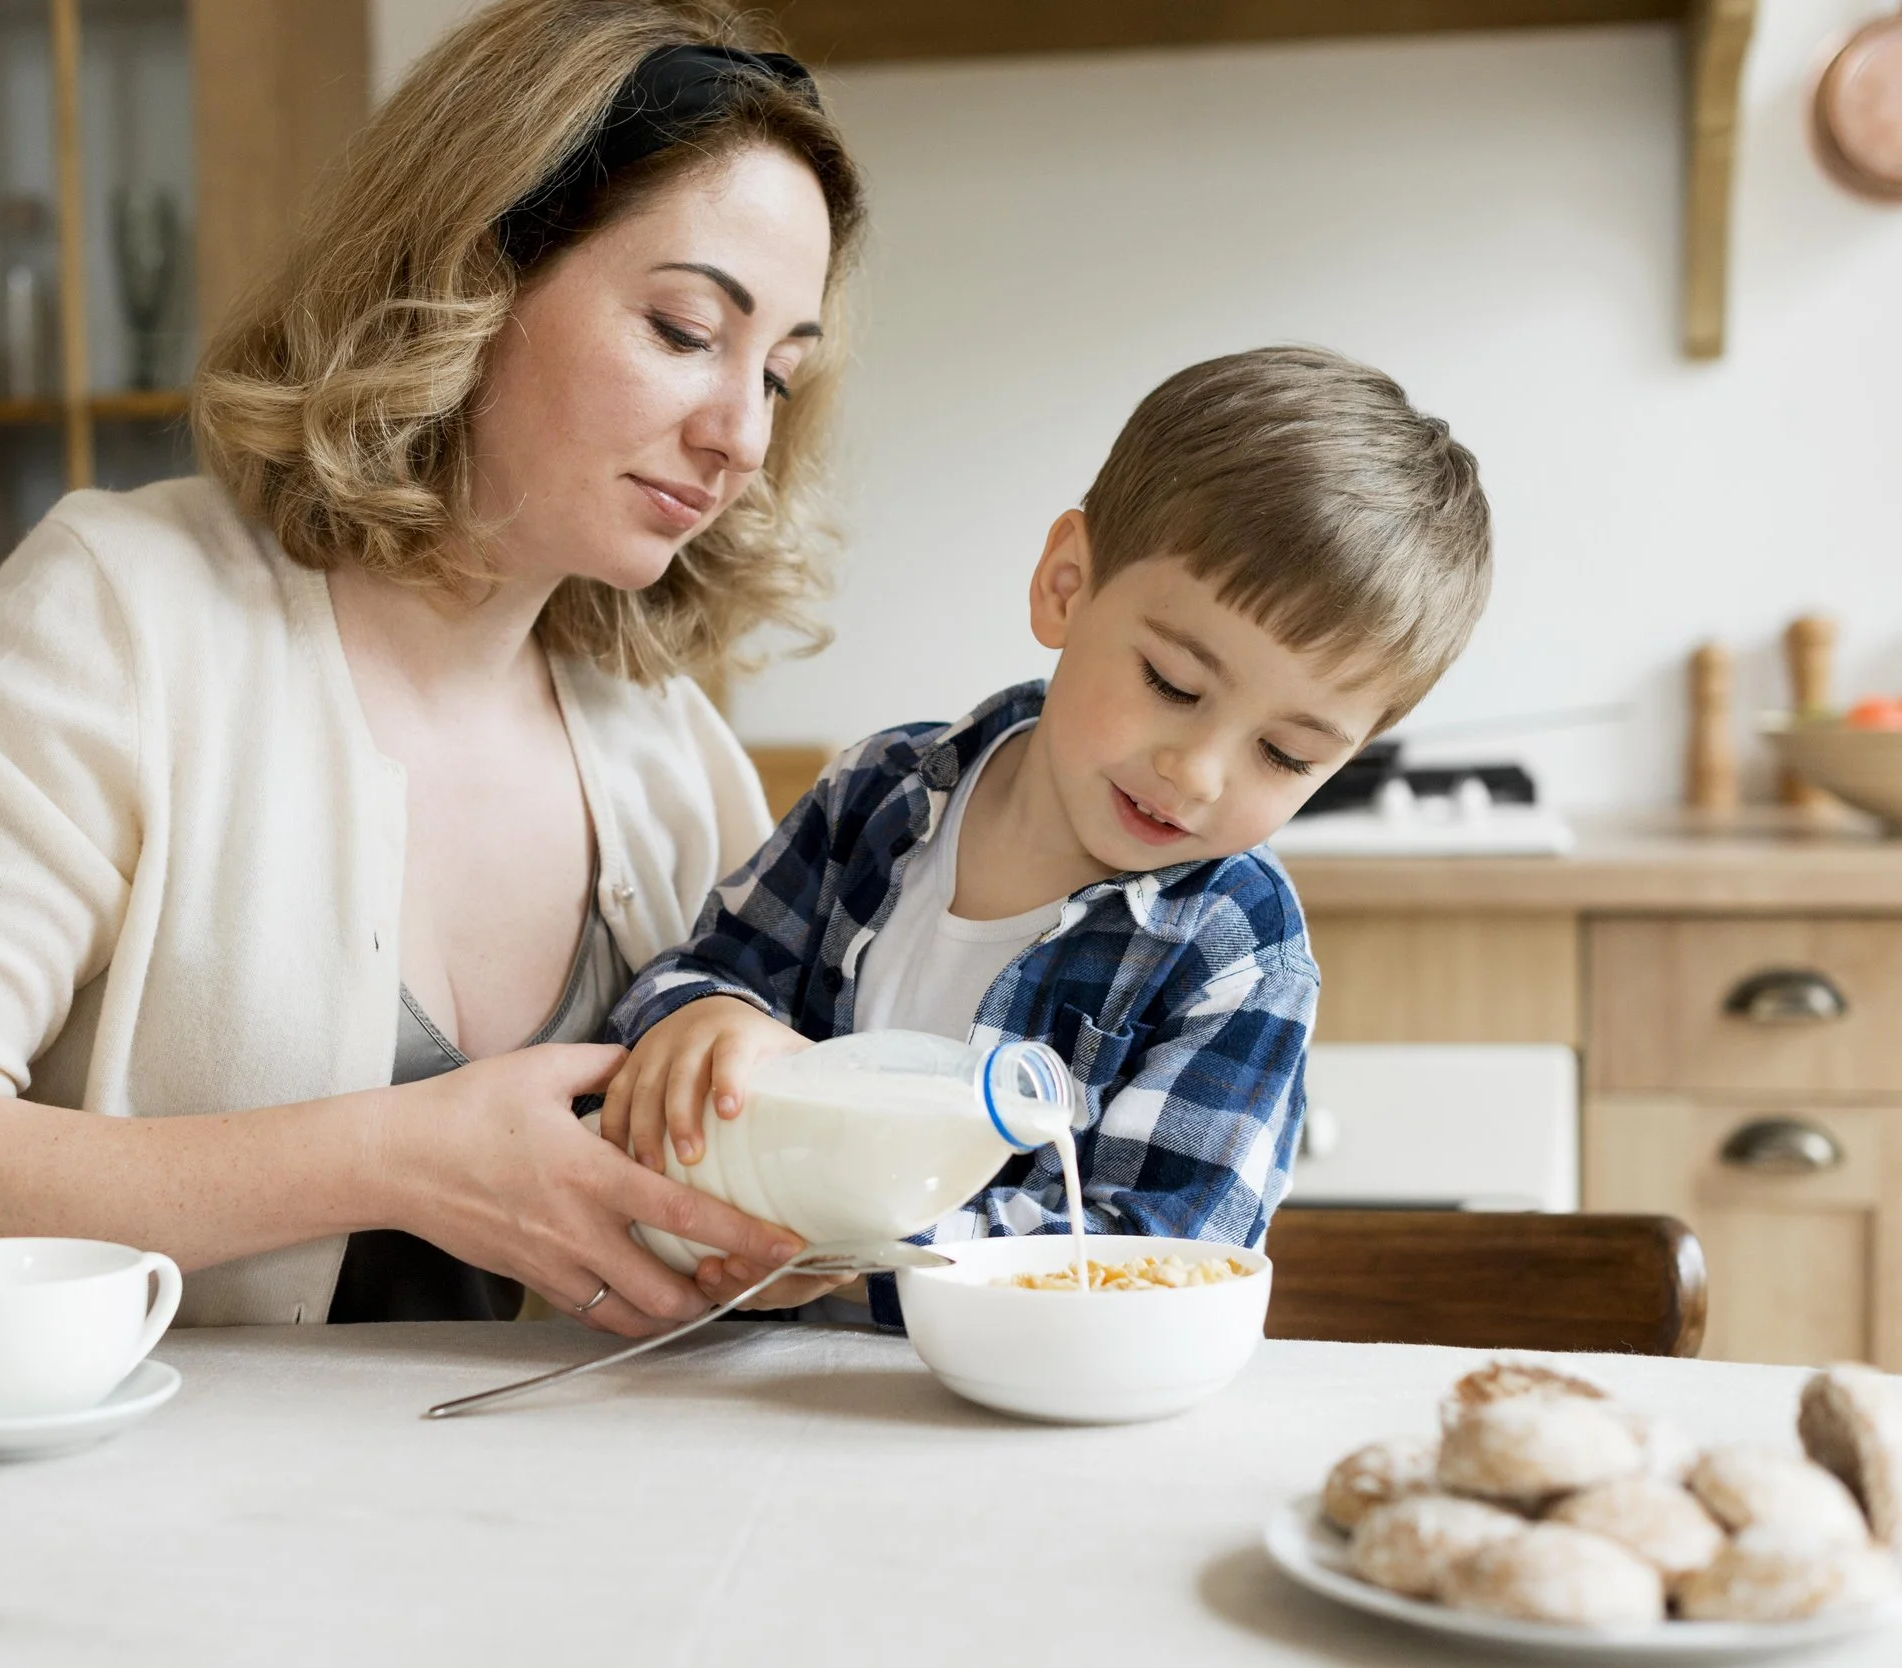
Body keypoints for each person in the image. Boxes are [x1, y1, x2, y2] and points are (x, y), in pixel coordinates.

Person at [0, 0, 867, 1337]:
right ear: (474, 273)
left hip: (544, 1526)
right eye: (685, 329)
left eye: (780, 375)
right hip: (129, 1528)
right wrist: (398, 1158)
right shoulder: (122, 620)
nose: (740, 434)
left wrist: (786, 1228)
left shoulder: (666, 748)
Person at [597, 346, 1493, 1319]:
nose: (1196, 774)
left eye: (1284, 755)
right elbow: (691, 982)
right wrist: (701, 1018)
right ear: (1066, 585)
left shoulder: (1239, 953)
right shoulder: (880, 795)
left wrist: (872, 1247)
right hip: (764, 1395)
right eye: (1172, 686)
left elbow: (1155, 1259)